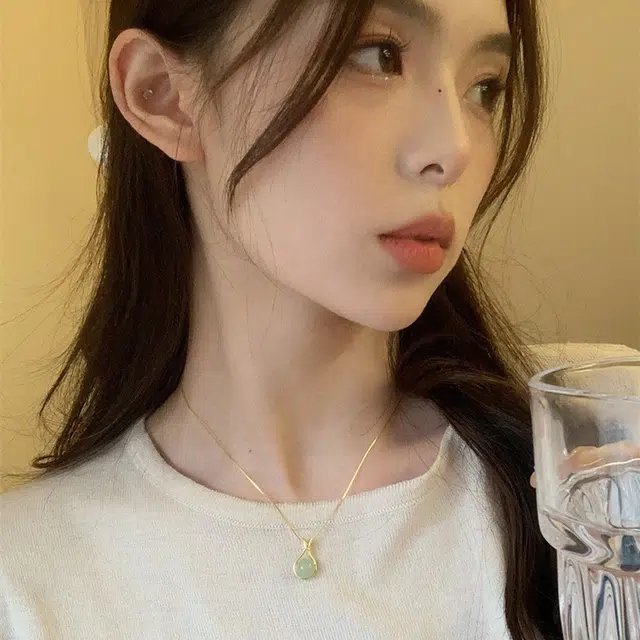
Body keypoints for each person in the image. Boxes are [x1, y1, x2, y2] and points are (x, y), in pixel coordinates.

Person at [0, 0, 566, 637]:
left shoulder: (570, 504)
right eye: (378, 55)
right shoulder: (25, 582)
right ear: (164, 96)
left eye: (485, 88)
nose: (454, 150)